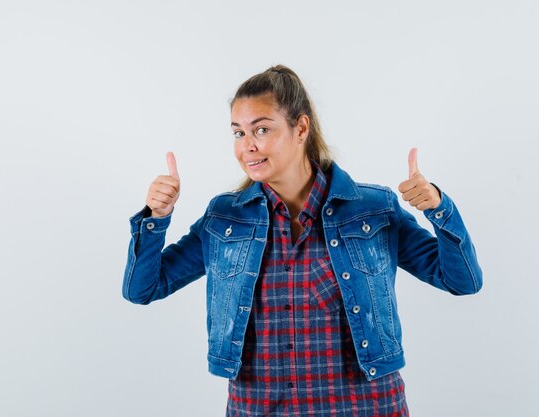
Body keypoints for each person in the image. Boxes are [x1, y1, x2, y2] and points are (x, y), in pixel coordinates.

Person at [123, 65, 483, 417]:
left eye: (261, 129)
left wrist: (438, 209)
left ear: (301, 128)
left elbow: (462, 281)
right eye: (238, 133)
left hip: (364, 406)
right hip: (260, 406)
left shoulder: (373, 210)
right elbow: (143, 288)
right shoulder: (225, 218)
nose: (247, 146)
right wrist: (156, 217)